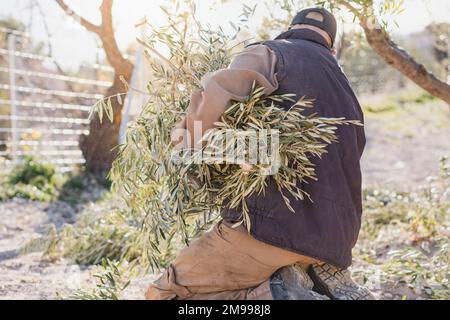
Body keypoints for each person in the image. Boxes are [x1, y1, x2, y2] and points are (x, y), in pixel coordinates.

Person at [146, 7, 374, 300]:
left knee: (166, 295)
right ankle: (292, 283)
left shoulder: (272, 53)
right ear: (331, 48)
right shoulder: (347, 92)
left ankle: (281, 295)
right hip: (336, 245)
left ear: (290, 29)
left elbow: (216, 93)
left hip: (272, 229)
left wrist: (186, 147)